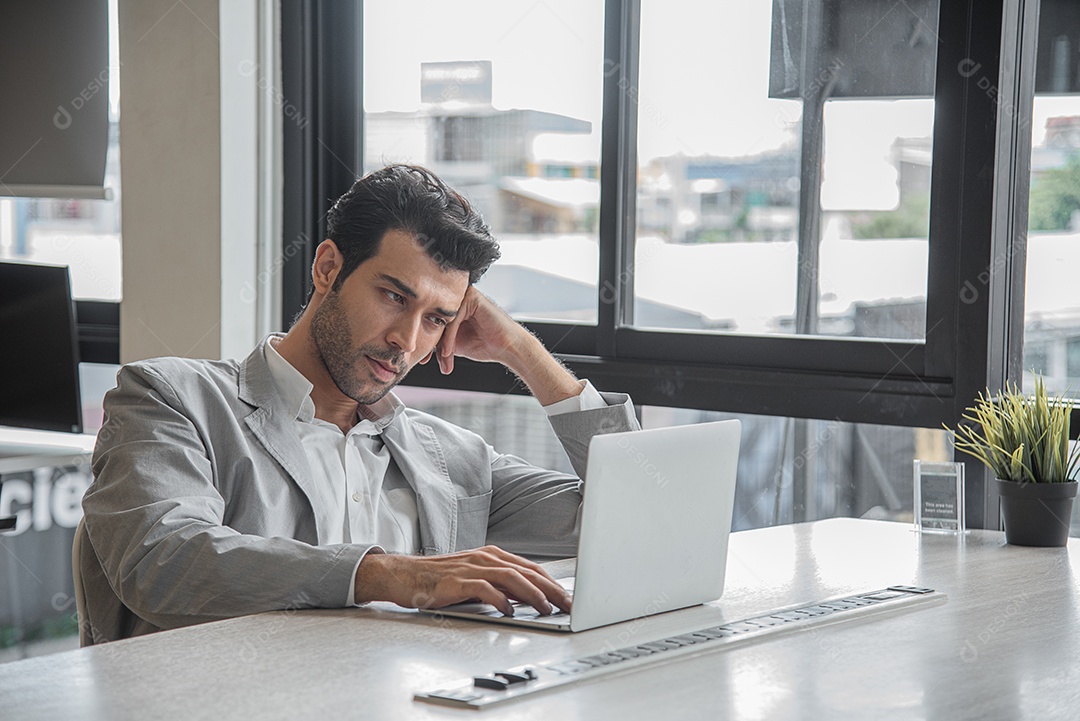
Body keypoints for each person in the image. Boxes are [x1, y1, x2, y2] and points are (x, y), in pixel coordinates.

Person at [78, 164, 639, 644]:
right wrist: (392, 575)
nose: (406, 340)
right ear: (327, 268)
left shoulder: (452, 459)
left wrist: (521, 350)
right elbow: (164, 560)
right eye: (394, 297)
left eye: (436, 319)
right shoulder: (173, 400)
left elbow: (632, 512)